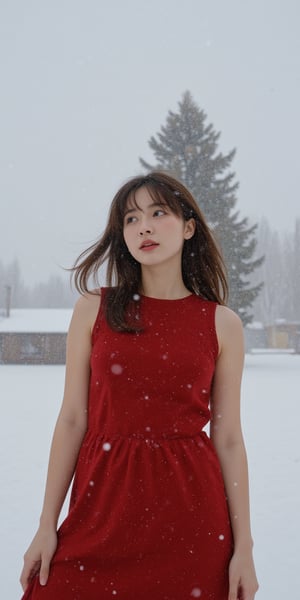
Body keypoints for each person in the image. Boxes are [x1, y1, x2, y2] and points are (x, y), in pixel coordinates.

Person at [20, 171, 259, 600]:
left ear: (189, 228)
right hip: (99, 510)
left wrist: (245, 548)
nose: (143, 226)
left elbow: (228, 439)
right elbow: (74, 419)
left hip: (191, 519)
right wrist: (46, 525)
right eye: (130, 219)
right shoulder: (94, 309)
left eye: (157, 212)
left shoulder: (222, 324)